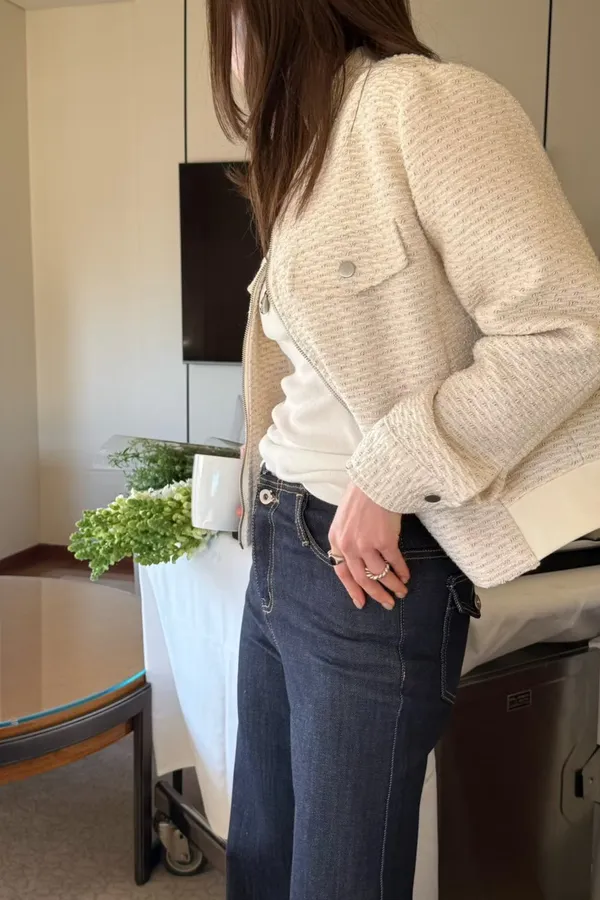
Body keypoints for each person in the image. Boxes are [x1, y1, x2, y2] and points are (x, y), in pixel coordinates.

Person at [207, 1, 600, 897]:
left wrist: (387, 476)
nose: (225, 53)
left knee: (337, 879)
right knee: (261, 854)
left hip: (367, 570)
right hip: (281, 543)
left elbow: (570, 329)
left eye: (230, 21)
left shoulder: (422, 104)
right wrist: (255, 475)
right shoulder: (309, 152)